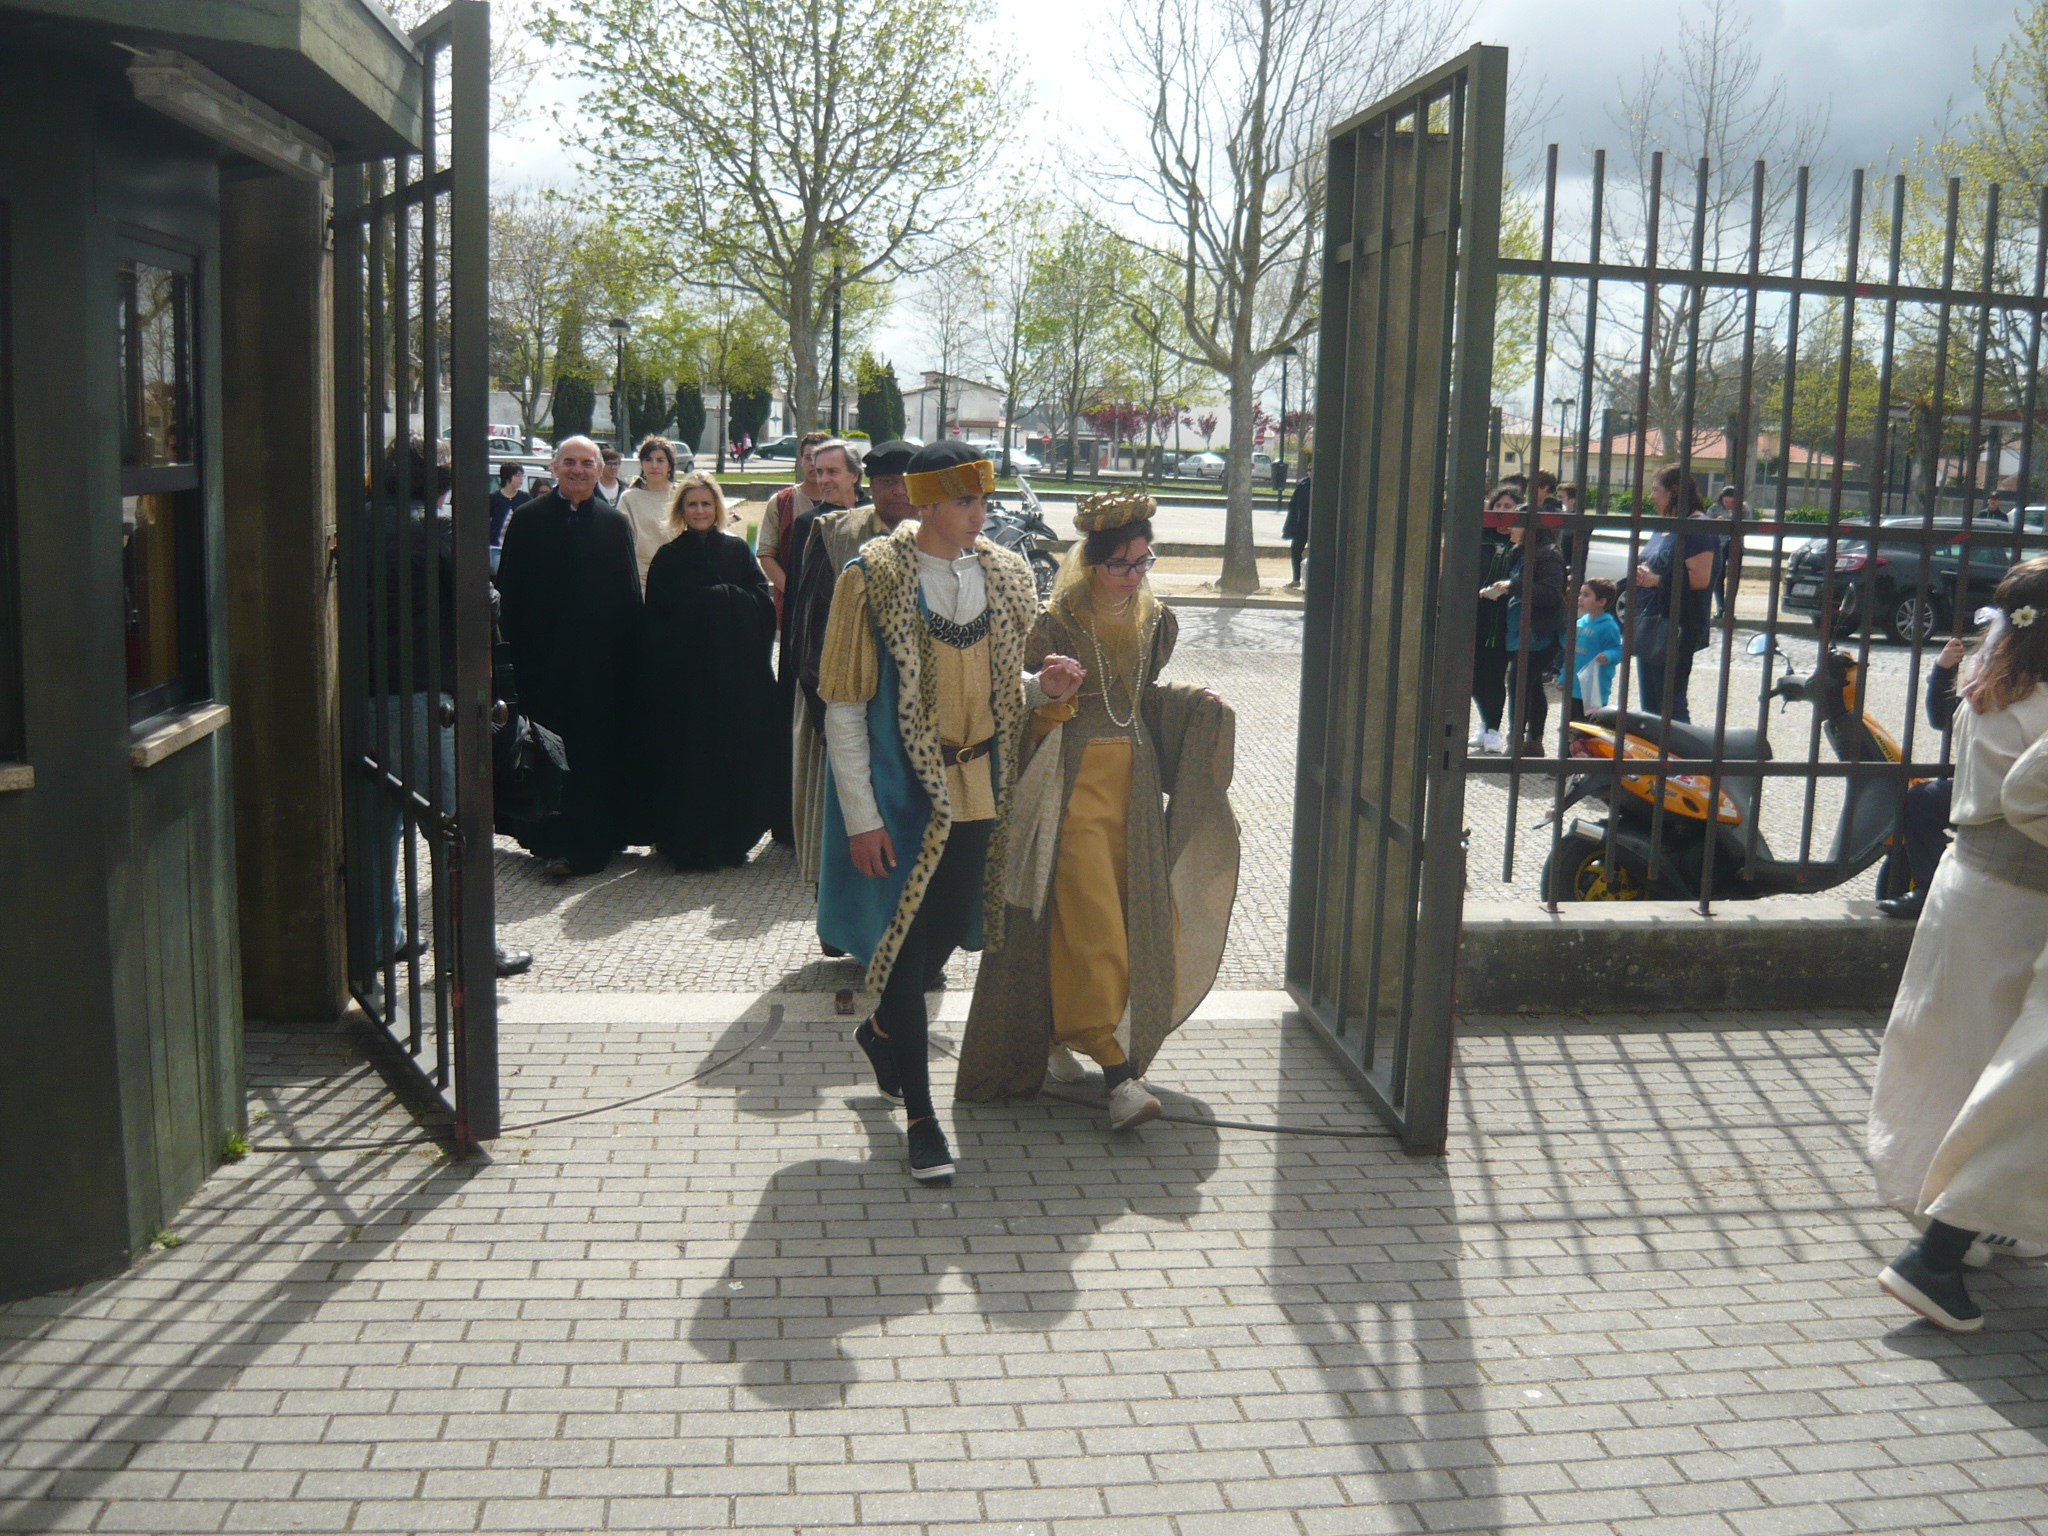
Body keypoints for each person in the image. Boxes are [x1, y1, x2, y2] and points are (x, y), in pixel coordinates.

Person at [815, 441, 1071, 1182]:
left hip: (978, 785)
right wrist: (862, 817)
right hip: (900, 794)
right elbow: (844, 707)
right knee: (905, 943)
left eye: (984, 499)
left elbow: (1000, 689)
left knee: (951, 931)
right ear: (927, 503)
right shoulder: (872, 579)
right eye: (966, 501)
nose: (980, 514)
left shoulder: (1005, 576)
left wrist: (1044, 688)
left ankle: (880, 1031)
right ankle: (922, 1118)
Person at [956, 491, 1240, 1132]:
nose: (1135, 574)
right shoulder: (1051, 624)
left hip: (1134, 790)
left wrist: (1196, 702)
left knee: (1126, 919)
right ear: (1091, 563)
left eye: (1144, 561)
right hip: (1070, 787)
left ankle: (1057, 1030)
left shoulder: (1157, 621)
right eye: (1121, 563)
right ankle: (1117, 1073)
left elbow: (1140, 697)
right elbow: (1016, 706)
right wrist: (1052, 698)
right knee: (1094, 925)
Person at [1868, 559, 2048, 1331]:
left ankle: (1957, 1217)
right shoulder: (2040, 703)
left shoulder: (1988, 682)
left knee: (1951, 1052)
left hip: (1965, 883)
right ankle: (1959, 1220)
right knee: (1999, 1071)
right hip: (2018, 902)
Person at [493, 436, 643, 878]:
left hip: (598, 667)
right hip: (541, 665)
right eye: (570, 462)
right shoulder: (527, 520)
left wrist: (630, 661)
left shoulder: (614, 524)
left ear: (600, 470)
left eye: (587, 463)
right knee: (546, 752)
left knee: (595, 754)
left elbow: (628, 598)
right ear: (554, 468)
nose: (578, 470)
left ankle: (595, 839)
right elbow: (508, 593)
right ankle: (551, 842)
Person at [790, 440, 916, 887]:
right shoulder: (836, 534)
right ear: (870, 485)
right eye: (887, 482)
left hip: (914, 706)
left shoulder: (941, 536)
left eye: (907, 482)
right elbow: (810, 626)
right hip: (842, 697)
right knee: (844, 814)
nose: (898, 491)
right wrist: (822, 712)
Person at [637, 473, 780, 869]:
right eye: (692, 504)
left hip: (734, 680)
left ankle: (731, 840)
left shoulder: (737, 551)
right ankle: (683, 840)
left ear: (717, 507)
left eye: (705, 504)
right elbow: (657, 621)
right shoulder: (668, 557)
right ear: (681, 510)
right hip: (686, 684)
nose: (699, 511)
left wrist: (722, 600)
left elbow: (762, 605)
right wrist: (701, 611)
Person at [1879, 635, 1967, 920]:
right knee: (1921, 799)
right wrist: (1943, 670)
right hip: (1986, 787)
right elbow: (1942, 717)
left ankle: (1933, 889)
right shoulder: (2003, 686)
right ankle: (1931, 889)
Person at [1631, 464, 1719, 722]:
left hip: (1677, 625)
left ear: (1674, 491)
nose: (1651, 496)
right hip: (1650, 622)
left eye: (1656, 490)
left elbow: (1700, 578)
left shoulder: (1698, 527)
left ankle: (1679, 748)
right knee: (1651, 707)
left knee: (1670, 704)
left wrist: (1656, 579)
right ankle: (1656, 748)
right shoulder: (1665, 525)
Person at [1481, 509, 1566, 751]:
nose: (1510, 528)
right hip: (1521, 633)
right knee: (1532, 685)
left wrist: (1513, 585)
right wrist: (1502, 590)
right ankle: (1534, 742)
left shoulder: (1548, 554)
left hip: (1539, 634)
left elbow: (1551, 593)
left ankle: (1515, 742)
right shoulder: (1521, 551)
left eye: (1515, 523)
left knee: (1518, 684)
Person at [755, 429, 832, 618]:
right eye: (809, 458)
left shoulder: (846, 503)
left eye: (820, 459)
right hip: (792, 606)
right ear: (801, 460)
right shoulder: (781, 502)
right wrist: (794, 591)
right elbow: (766, 554)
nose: (814, 464)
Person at [1469, 485, 1519, 754]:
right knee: (1474, 675)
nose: (1501, 511)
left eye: (1508, 507)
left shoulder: (1521, 543)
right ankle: (1485, 721)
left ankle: (1493, 730)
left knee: (1495, 675)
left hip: (1504, 619)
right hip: (1476, 615)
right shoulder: (1480, 538)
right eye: (1497, 505)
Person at [619, 436, 680, 590]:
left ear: (670, 466)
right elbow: (620, 542)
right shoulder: (629, 499)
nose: (654, 465)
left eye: (660, 460)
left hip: (677, 577)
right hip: (639, 579)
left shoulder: (682, 496)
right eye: (648, 460)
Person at [1569, 577, 1624, 722]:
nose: (1580, 598)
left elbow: (1618, 650)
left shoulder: (1608, 626)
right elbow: (1570, 655)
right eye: (1580, 594)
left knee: (1590, 725)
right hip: (1574, 686)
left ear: (1601, 602)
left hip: (1594, 689)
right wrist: (1563, 677)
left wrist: (1608, 655)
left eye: (1586, 595)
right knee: (1572, 725)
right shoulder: (1580, 623)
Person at [489, 463, 529, 549]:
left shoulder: (525, 498)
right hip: (496, 546)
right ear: (508, 477)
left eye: (522, 476)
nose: (521, 479)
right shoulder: (494, 498)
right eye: (518, 475)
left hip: (518, 546)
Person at [1282, 471, 1311, 589]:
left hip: (1316, 525)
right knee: (1295, 549)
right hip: (1301, 525)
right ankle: (1296, 579)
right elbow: (1294, 507)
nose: (1310, 472)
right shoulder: (1303, 485)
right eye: (1309, 470)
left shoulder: (1322, 486)